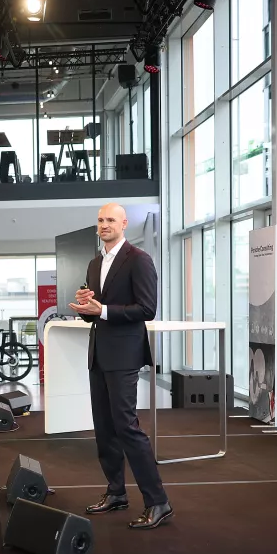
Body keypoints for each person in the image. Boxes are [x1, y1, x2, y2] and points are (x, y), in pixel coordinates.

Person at [68, 202, 171, 530]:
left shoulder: (139, 260)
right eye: (100, 220)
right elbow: (95, 313)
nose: (104, 225)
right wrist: (86, 307)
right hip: (99, 354)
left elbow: (147, 309)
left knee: (127, 427)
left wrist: (103, 310)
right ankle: (116, 492)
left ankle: (158, 501)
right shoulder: (94, 263)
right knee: (104, 428)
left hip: (125, 354)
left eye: (110, 220)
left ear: (124, 224)